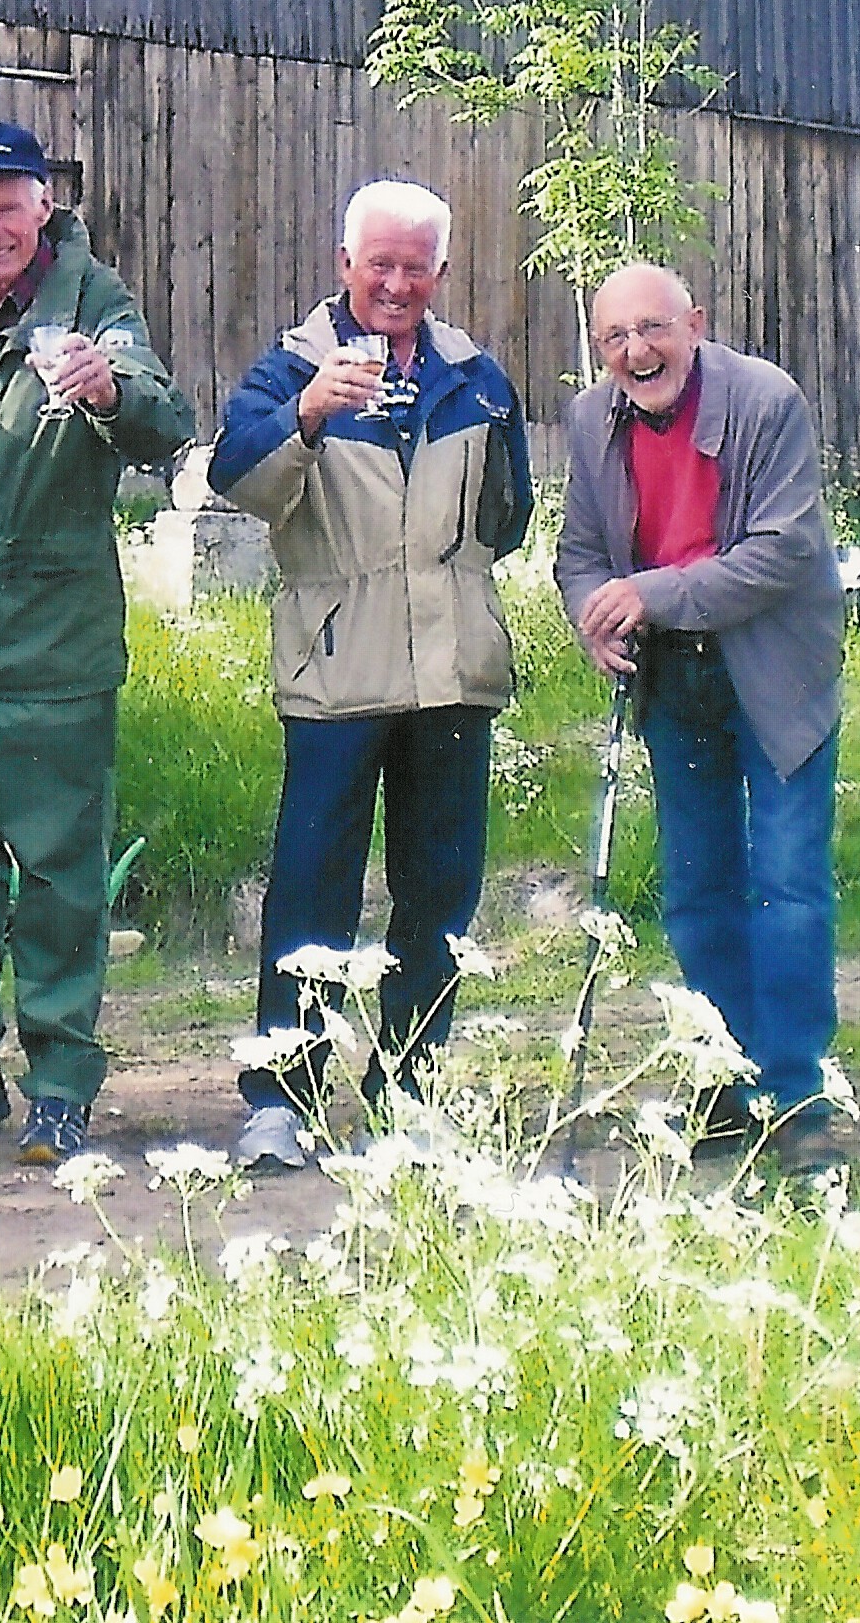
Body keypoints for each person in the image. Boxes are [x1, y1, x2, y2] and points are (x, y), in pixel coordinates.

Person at [0, 121, 195, 1167]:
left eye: (7, 207)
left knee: (58, 872)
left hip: (52, 638)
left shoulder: (93, 301)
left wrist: (107, 390)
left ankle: (59, 1086)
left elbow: (166, 421)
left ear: (42, 205)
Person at [208, 180, 533, 1171]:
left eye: (414, 267)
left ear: (441, 271)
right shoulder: (290, 368)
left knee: (439, 891)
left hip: (452, 671)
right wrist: (308, 415)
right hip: (336, 667)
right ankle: (281, 1099)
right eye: (378, 264)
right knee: (312, 891)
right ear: (344, 263)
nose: (395, 283)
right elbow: (234, 477)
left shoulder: (475, 377)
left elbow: (509, 515)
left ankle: (409, 1090)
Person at [555, 263, 848, 1173]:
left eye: (653, 328)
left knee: (788, 884)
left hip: (774, 666)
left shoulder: (766, 401)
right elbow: (579, 554)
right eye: (615, 337)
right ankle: (727, 1081)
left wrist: (649, 593)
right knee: (697, 890)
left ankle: (795, 1095)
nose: (636, 351)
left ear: (696, 324)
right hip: (673, 678)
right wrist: (595, 616)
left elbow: (782, 551)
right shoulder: (590, 421)